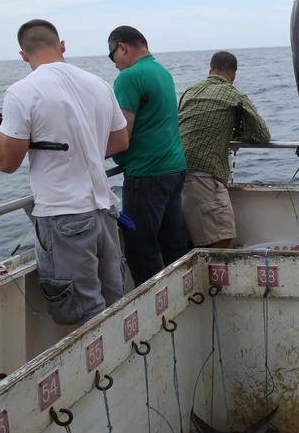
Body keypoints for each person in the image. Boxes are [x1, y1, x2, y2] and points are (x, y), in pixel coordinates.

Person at [0, 19, 129, 326]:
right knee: (114, 305)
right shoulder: (99, 84)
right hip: (105, 213)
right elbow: (120, 141)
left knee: (84, 317)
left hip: (64, 217)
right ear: (62, 45)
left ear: (23, 55)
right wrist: (82, 149)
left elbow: (6, 161)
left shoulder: (23, 91)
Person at [107, 25, 189, 286]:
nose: (115, 65)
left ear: (122, 47)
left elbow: (122, 135)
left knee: (141, 251)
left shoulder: (130, 77)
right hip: (174, 170)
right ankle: (183, 300)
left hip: (147, 174)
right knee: (174, 245)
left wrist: (86, 153)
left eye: (113, 57)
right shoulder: (162, 72)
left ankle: (154, 313)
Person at [177, 51, 271, 249]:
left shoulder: (190, 91)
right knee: (220, 238)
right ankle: (209, 279)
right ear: (234, 76)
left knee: (196, 239)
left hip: (175, 173)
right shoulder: (233, 95)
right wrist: (240, 136)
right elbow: (263, 135)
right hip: (202, 176)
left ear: (210, 71)